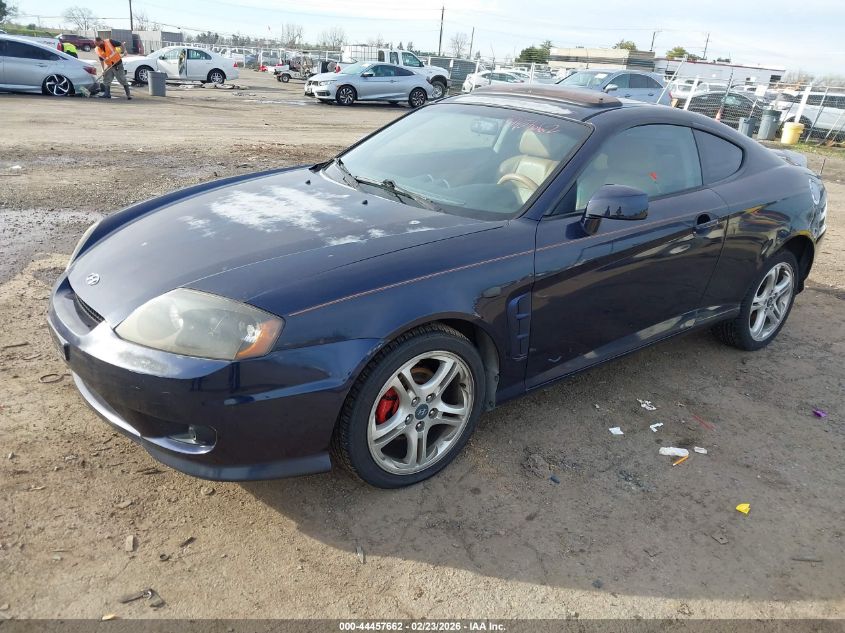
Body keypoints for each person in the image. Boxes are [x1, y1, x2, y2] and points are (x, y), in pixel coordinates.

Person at [94, 36, 131, 100]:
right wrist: (103, 69)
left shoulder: (109, 42)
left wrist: (125, 51)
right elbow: (101, 60)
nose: (97, 46)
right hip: (109, 65)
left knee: (122, 79)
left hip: (117, 64)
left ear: (101, 41)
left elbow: (121, 44)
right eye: (96, 45)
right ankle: (107, 94)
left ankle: (128, 95)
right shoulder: (97, 49)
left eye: (98, 44)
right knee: (106, 79)